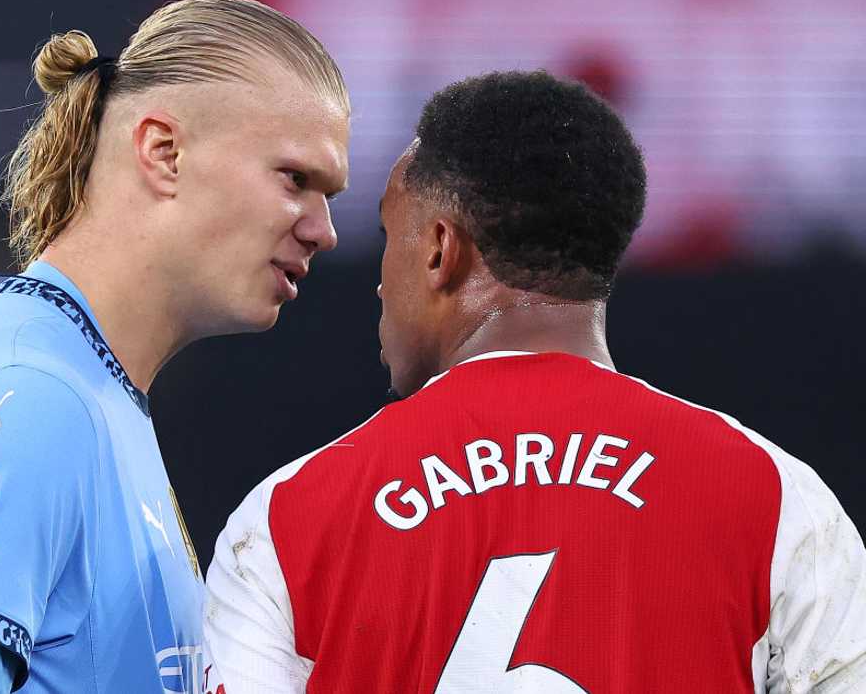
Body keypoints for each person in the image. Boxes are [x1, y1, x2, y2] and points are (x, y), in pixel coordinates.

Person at [201, 71, 866, 693]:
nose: (380, 282)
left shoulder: (289, 518)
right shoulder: (777, 501)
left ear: (439, 248)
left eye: (389, 237)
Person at [0, 0, 349, 694]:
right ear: (163, 152)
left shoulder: (88, 391)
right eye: (297, 178)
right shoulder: (24, 399)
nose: (323, 229)